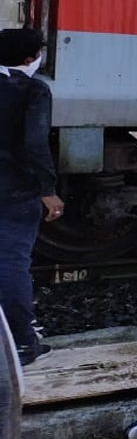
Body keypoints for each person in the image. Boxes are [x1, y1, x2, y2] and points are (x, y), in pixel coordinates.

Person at [0, 28, 64, 367]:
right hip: (14, 191)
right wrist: (48, 191)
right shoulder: (33, 90)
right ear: (29, 59)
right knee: (11, 264)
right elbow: (35, 144)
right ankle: (23, 344)